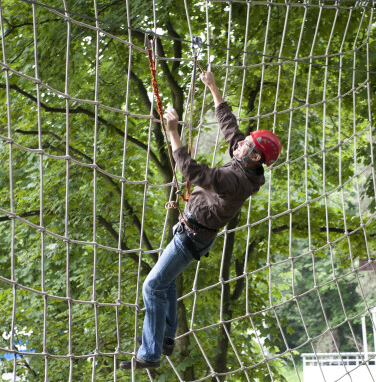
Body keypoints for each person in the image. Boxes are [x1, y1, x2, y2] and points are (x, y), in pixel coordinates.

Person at [120, 71, 281, 370]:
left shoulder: (236, 180)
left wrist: (172, 132)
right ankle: (167, 337)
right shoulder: (245, 163)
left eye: (247, 145)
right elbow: (230, 128)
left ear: (256, 158)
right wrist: (214, 88)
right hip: (192, 230)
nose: (240, 145)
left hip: (192, 236)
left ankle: (150, 354)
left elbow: (195, 173)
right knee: (165, 282)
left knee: (152, 286)